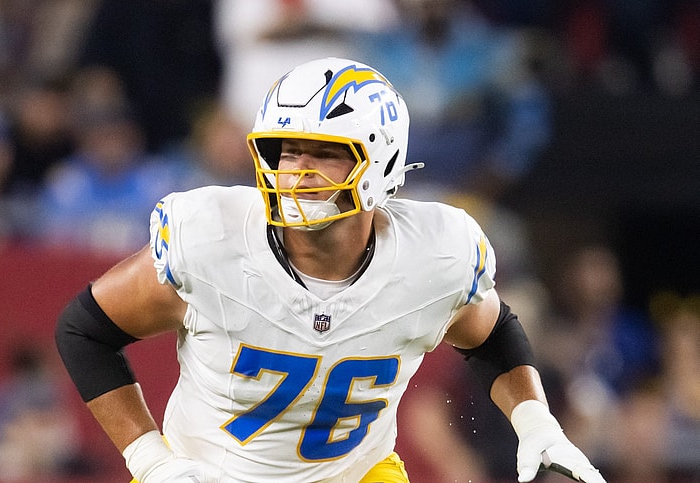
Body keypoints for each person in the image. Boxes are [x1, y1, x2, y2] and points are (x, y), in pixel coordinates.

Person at [55, 57, 605, 483]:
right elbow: (84, 330)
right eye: (287, 151)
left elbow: (492, 333)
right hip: (206, 474)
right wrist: (151, 459)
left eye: (323, 152)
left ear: (382, 162)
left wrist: (534, 420)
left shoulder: (434, 254)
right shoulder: (211, 239)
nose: (298, 171)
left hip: (355, 474)